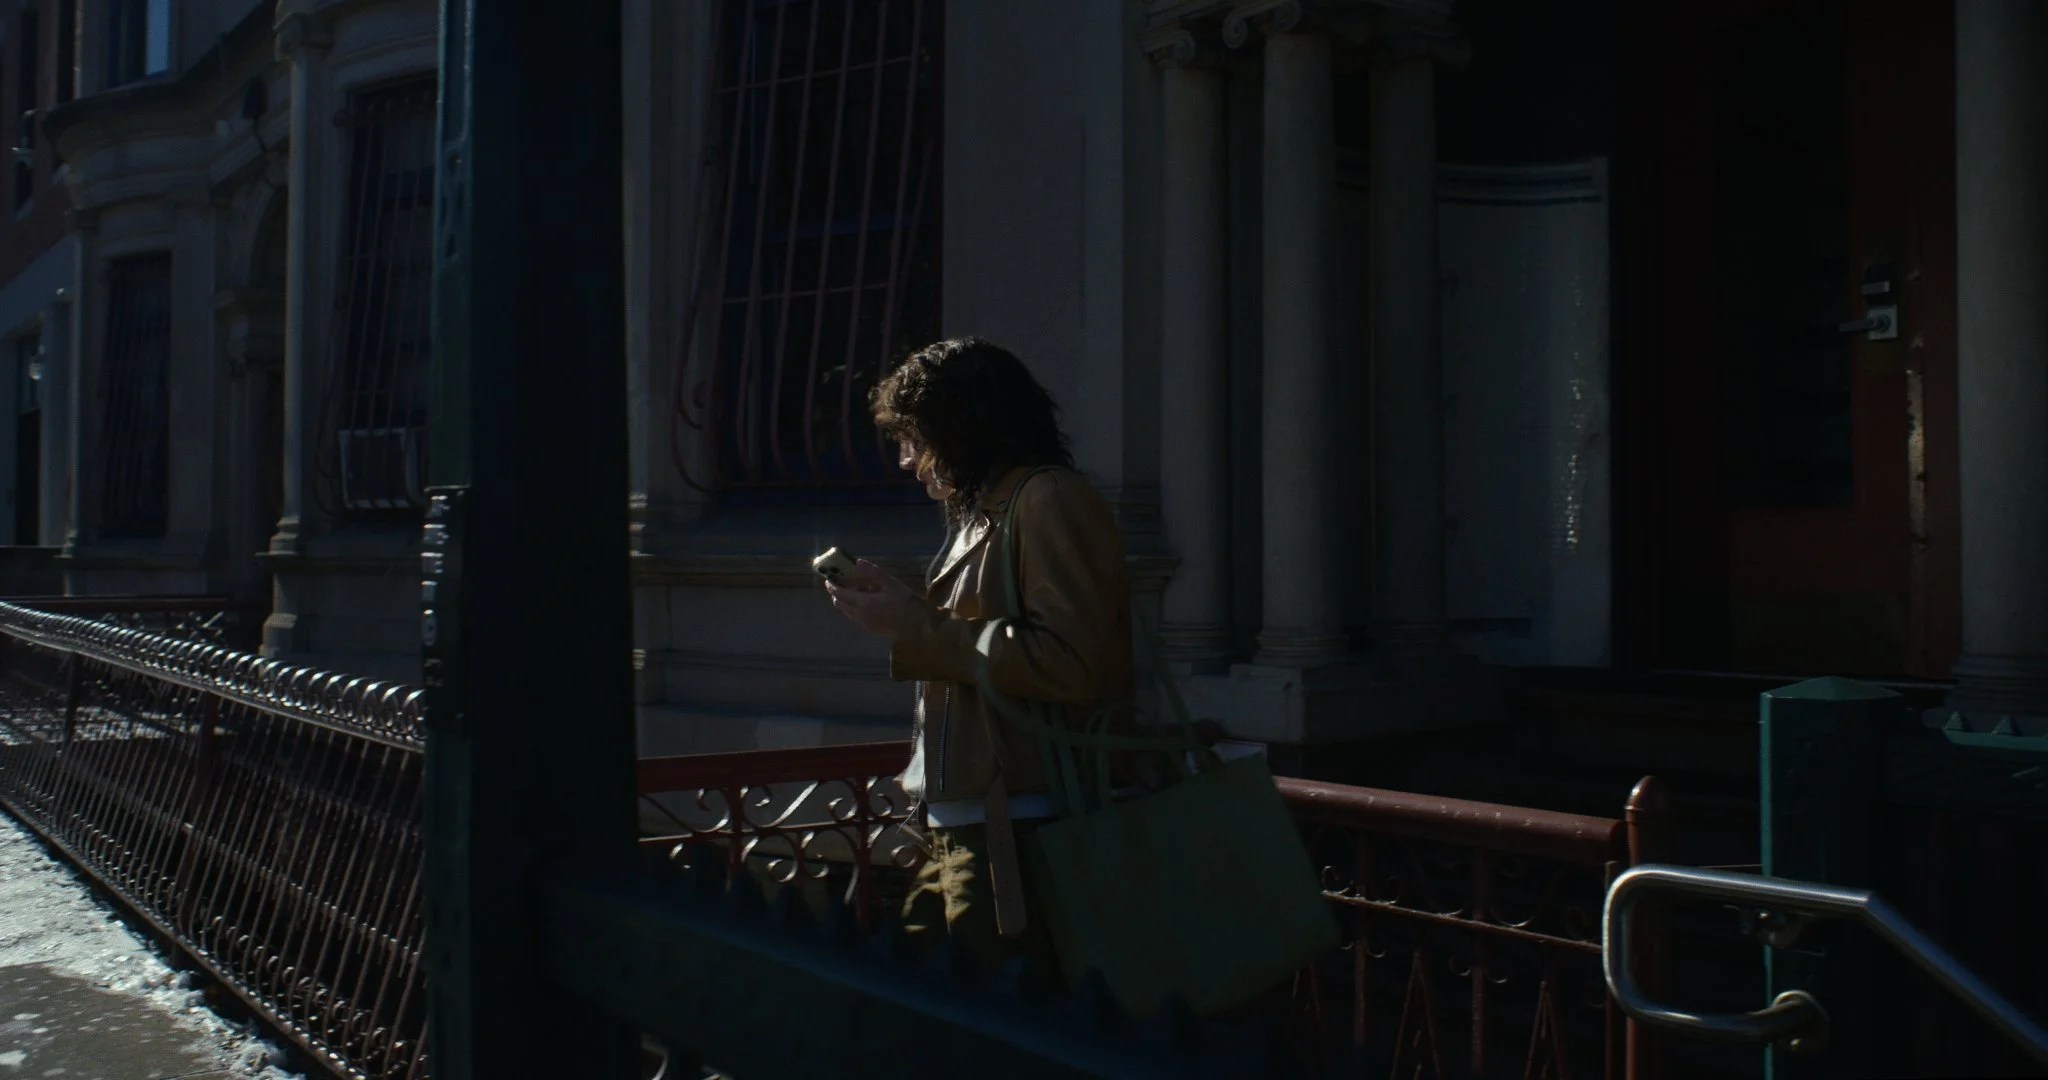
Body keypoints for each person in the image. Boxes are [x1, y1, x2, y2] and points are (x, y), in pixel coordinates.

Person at [822, 336, 1133, 982]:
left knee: (990, 1028)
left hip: (1021, 832)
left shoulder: (1047, 499)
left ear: (961, 428)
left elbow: (1069, 663)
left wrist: (912, 623)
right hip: (965, 823)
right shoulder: (985, 514)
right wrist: (908, 614)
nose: (907, 461)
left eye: (915, 437)